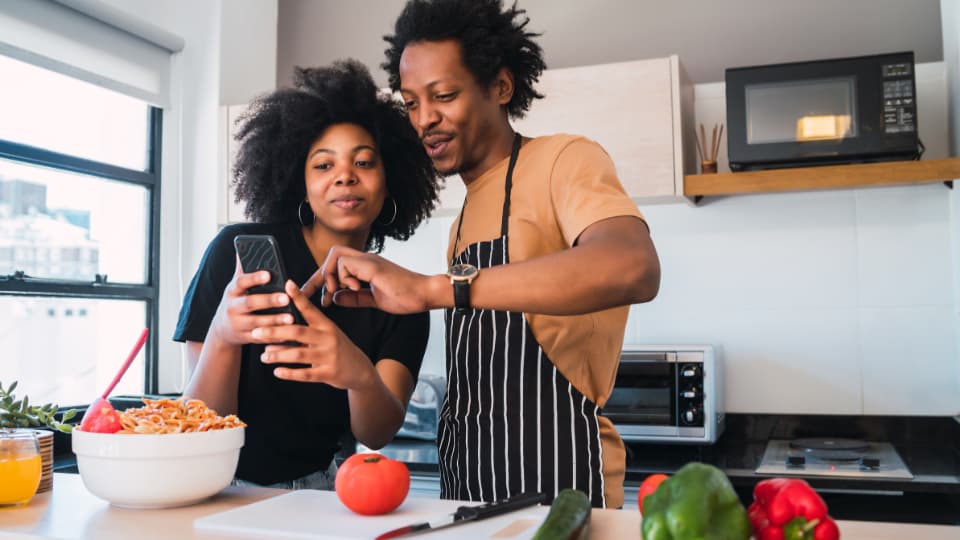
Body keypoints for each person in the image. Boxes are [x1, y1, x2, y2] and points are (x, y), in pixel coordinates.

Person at [314, 0, 660, 507]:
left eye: (444, 95)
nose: (424, 119)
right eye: (411, 103)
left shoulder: (564, 159)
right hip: (467, 485)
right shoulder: (461, 222)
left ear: (500, 87)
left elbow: (633, 266)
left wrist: (432, 289)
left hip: (558, 480)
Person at [172, 60, 440, 489]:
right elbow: (201, 420)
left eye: (365, 163)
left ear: (390, 182)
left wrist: (358, 373)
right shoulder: (236, 254)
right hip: (216, 489)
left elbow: (376, 433)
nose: (345, 176)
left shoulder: (402, 296)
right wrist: (224, 334)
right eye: (323, 165)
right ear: (300, 182)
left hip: (317, 493)